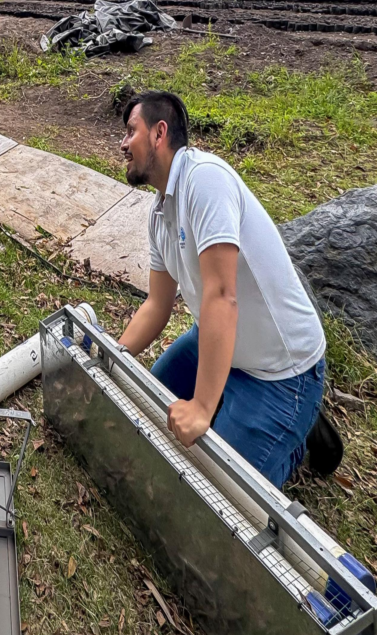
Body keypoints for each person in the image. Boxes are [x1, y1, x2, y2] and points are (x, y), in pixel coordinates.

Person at [117, 90, 326, 488]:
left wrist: (200, 407)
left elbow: (222, 296)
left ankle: (296, 436)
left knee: (219, 494)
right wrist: (114, 353)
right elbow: (158, 304)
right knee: (142, 412)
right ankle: (229, 403)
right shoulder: (160, 212)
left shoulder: (205, 180)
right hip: (216, 343)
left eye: (131, 131)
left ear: (159, 133)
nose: (123, 144)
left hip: (280, 372)